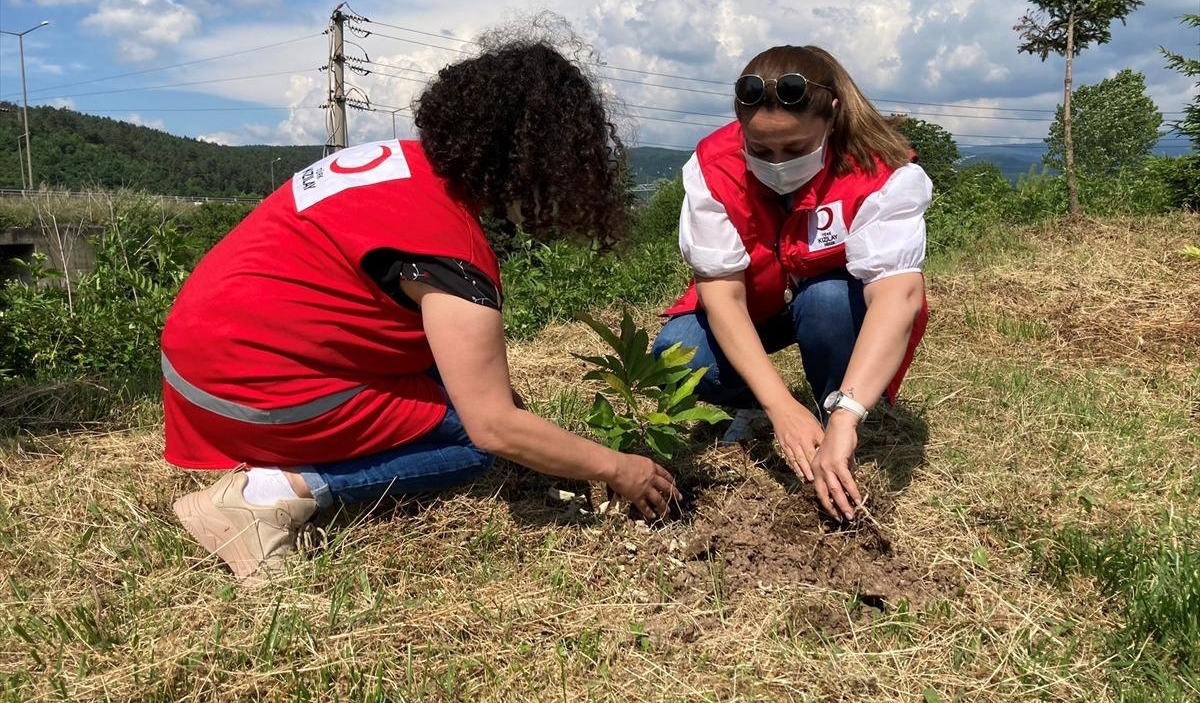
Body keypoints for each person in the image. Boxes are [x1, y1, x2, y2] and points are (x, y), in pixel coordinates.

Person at [163, 31, 678, 581]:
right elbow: (493, 427)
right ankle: (266, 495)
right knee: (475, 450)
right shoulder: (450, 249)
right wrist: (618, 466)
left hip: (202, 356)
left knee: (467, 403)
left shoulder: (397, 164)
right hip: (247, 391)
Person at [653, 45, 930, 521]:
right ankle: (758, 405)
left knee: (825, 301)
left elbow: (897, 295)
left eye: (796, 149)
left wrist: (847, 413)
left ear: (832, 118)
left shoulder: (879, 171)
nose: (777, 163)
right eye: (760, 149)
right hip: (757, 307)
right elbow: (721, 297)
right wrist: (780, 404)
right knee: (678, 351)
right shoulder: (712, 167)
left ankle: (834, 420)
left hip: (831, 303)